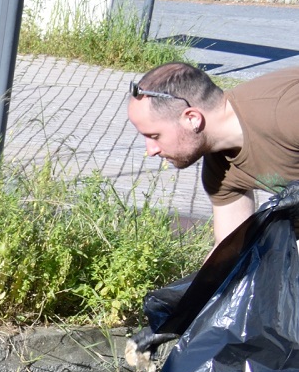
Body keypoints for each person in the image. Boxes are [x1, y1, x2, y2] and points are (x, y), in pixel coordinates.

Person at [126, 62, 299, 244]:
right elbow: (228, 250)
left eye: (155, 136)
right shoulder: (220, 172)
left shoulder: (284, 113)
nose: (150, 150)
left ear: (192, 118)